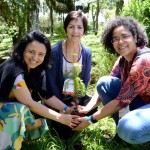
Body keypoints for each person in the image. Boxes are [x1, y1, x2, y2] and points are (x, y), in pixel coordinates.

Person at [73, 16, 150, 145]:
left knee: (128, 129)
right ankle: (122, 135)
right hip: (143, 102)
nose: (120, 42)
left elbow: (121, 101)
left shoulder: (143, 60)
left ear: (135, 37)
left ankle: (137, 135)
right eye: (115, 39)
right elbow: (104, 87)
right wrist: (87, 108)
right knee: (105, 83)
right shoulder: (123, 59)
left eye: (125, 36)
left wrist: (90, 119)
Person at [0, 31, 79, 150]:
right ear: (23, 50)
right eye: (31, 52)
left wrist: (66, 109)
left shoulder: (37, 69)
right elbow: (30, 104)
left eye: (41, 54)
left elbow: (46, 96)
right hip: (5, 109)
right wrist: (60, 117)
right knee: (16, 110)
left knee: (39, 114)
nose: (35, 58)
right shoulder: (14, 69)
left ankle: (17, 137)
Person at [46, 10, 97, 140]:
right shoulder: (55, 51)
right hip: (57, 99)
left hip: (75, 98)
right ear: (65, 29)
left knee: (92, 107)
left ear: (84, 31)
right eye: (71, 27)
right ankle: (59, 122)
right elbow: (51, 83)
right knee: (64, 133)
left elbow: (84, 80)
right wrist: (64, 107)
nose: (75, 31)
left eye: (79, 27)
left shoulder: (86, 53)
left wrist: (77, 103)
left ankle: (73, 120)